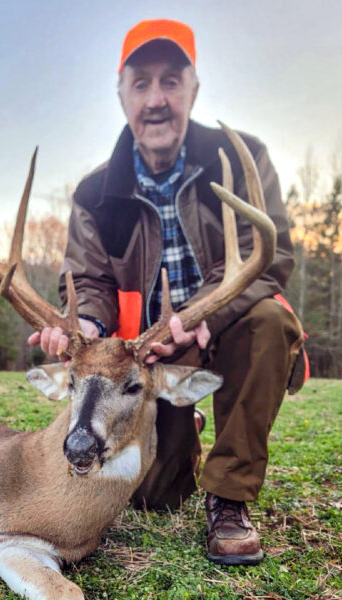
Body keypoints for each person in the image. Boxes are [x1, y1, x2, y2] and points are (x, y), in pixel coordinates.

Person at [28, 19, 307, 566]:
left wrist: (211, 315)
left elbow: (268, 258)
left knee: (270, 321)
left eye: (171, 81)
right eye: (141, 83)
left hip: (226, 330)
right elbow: (88, 280)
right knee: (155, 496)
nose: (156, 99)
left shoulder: (240, 157)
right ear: (121, 94)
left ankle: (229, 496)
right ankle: (187, 430)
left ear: (193, 90)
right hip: (144, 355)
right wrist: (85, 327)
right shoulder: (95, 192)